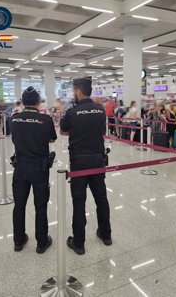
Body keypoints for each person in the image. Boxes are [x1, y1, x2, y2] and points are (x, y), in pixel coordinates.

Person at [60, 77, 112, 255]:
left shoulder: (72, 111)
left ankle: (79, 243)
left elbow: (63, 131)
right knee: (101, 199)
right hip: (98, 159)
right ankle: (106, 235)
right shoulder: (100, 109)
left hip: (79, 162)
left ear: (78, 91)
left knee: (79, 202)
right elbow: (102, 131)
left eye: (74, 90)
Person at [11, 86, 57, 253]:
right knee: (40, 206)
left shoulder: (14, 119)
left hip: (21, 167)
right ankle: (41, 242)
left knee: (19, 205)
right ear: (38, 102)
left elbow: (13, 138)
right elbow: (52, 139)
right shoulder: (46, 120)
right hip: (40, 168)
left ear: (23, 102)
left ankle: (18, 240)